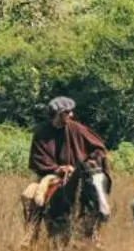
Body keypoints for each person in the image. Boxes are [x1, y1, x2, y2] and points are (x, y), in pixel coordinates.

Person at [22, 96, 110, 224]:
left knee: (94, 194)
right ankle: (31, 235)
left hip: (78, 172)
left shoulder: (77, 128)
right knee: (31, 196)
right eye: (67, 112)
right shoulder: (41, 132)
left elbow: (98, 148)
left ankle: (95, 233)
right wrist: (57, 169)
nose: (71, 114)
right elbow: (38, 158)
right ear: (58, 114)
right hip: (51, 176)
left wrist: (91, 161)